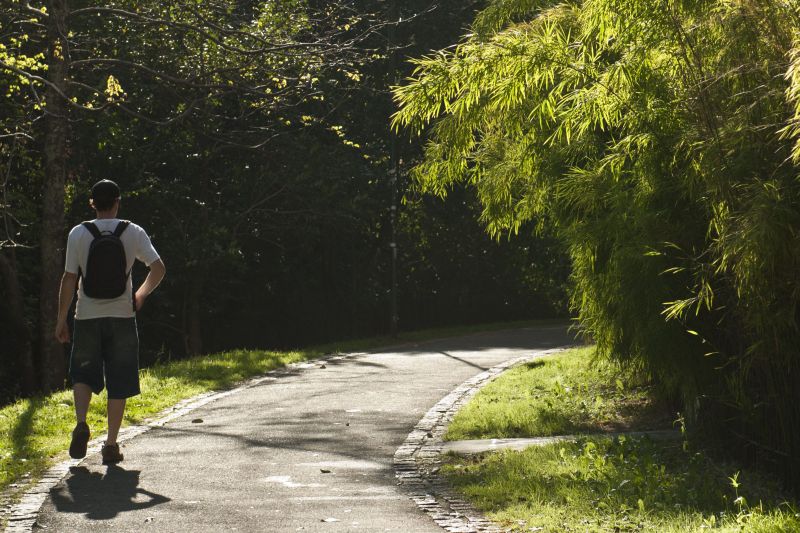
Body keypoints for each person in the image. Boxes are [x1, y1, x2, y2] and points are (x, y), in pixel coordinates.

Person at [55, 179, 166, 464]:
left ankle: (81, 424)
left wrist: (61, 319)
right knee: (119, 378)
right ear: (118, 202)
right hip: (122, 317)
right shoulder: (133, 231)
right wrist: (140, 295)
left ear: (92, 203)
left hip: (86, 315)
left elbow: (69, 278)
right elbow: (158, 268)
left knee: (82, 373)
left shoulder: (78, 233)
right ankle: (111, 445)